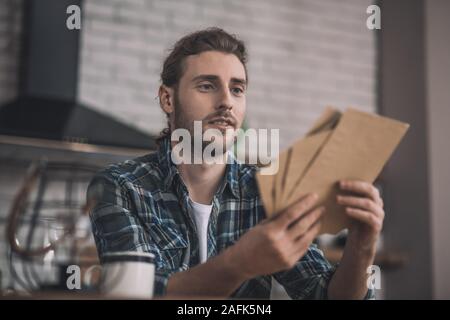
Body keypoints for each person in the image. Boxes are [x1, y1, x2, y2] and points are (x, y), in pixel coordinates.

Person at [88, 28, 384, 299]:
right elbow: (138, 294)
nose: (226, 101)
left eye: (237, 89)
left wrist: (362, 244)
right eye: (207, 86)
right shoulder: (119, 186)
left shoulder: (265, 192)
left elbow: (323, 294)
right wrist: (239, 263)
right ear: (168, 98)